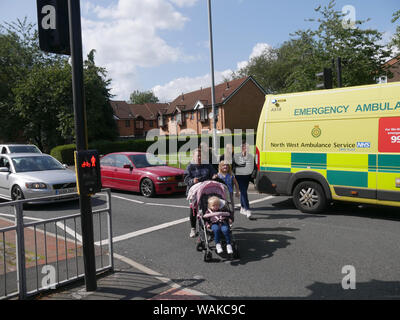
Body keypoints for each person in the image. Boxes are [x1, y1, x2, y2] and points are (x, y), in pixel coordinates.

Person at [184, 148, 217, 238]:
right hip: (193, 192)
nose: (199, 157)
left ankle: (207, 227)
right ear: (193, 156)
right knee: (193, 210)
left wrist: (214, 175)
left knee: (207, 209)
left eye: (200, 156)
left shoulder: (207, 165)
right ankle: (193, 228)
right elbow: (185, 179)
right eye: (197, 156)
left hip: (206, 191)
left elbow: (213, 172)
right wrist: (192, 180)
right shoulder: (190, 166)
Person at [234, 140, 254, 219]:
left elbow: (254, 167)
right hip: (239, 177)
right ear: (242, 148)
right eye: (246, 148)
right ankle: (248, 210)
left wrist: (253, 174)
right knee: (244, 192)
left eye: (248, 148)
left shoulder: (251, 157)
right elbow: (233, 166)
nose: (248, 149)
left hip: (247, 177)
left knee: (243, 192)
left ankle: (242, 208)